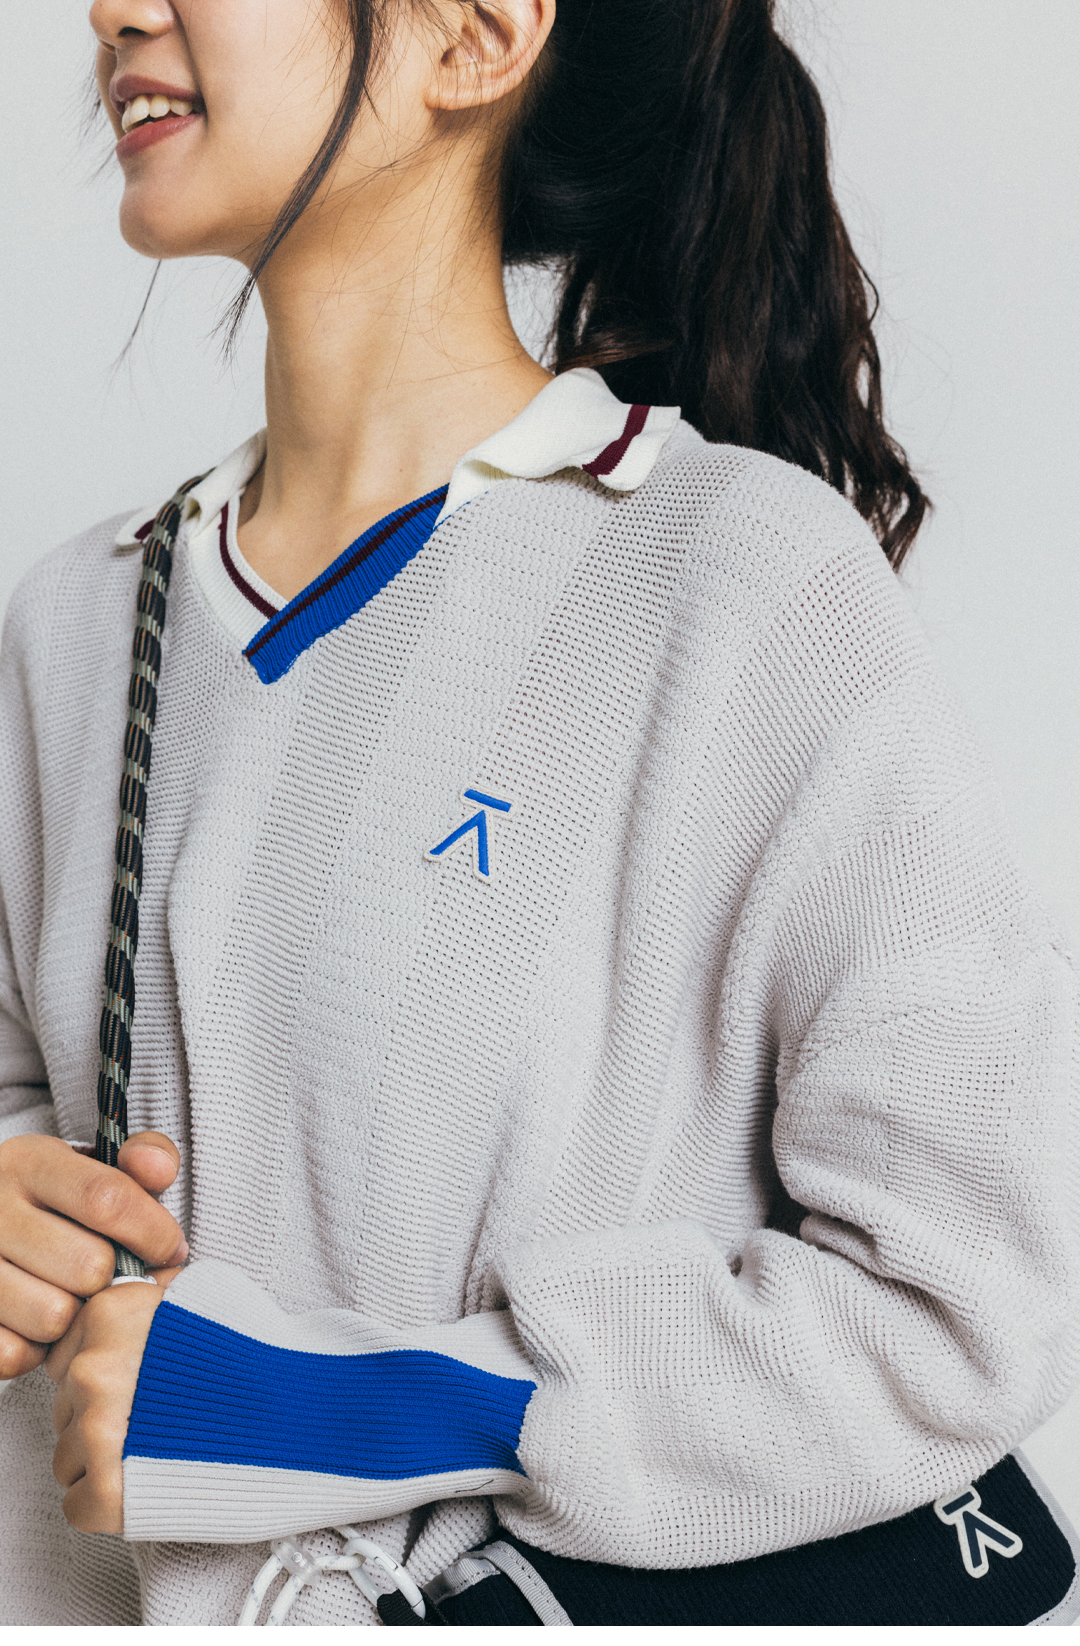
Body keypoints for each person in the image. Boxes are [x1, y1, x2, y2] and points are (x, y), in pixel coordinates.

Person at [0, 0, 1076, 1626]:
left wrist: (348, 1409)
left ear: (477, 36)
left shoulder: (741, 584)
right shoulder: (73, 628)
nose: (118, 10)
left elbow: (965, 1298)